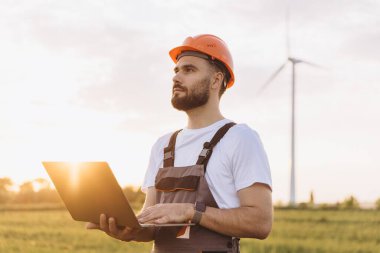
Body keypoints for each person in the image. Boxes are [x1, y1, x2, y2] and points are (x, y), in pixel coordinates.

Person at [87, 34, 273, 253]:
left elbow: (260, 222)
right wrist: (131, 229)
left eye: (189, 70)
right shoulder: (162, 145)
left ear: (216, 80)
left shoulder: (240, 138)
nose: (176, 78)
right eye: (176, 71)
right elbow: (151, 225)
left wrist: (190, 211)